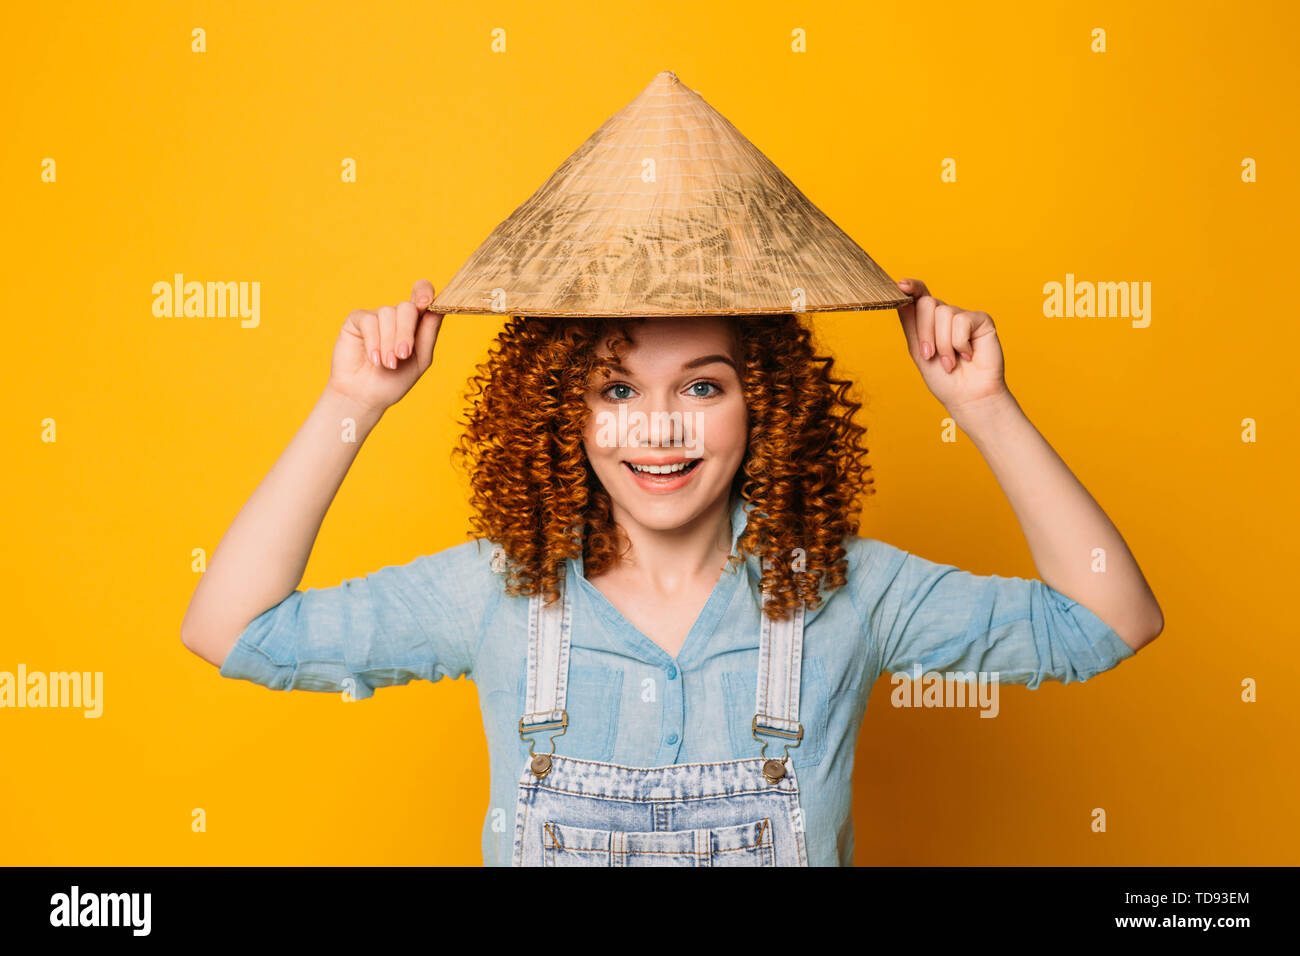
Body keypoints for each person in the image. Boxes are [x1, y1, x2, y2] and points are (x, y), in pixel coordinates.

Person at [180, 276, 1163, 866]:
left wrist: (981, 404)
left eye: (702, 383)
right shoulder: (498, 590)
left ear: (762, 404)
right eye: (616, 386)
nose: (658, 424)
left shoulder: (844, 589)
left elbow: (1106, 617)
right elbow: (232, 629)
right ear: (565, 412)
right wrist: (353, 400)